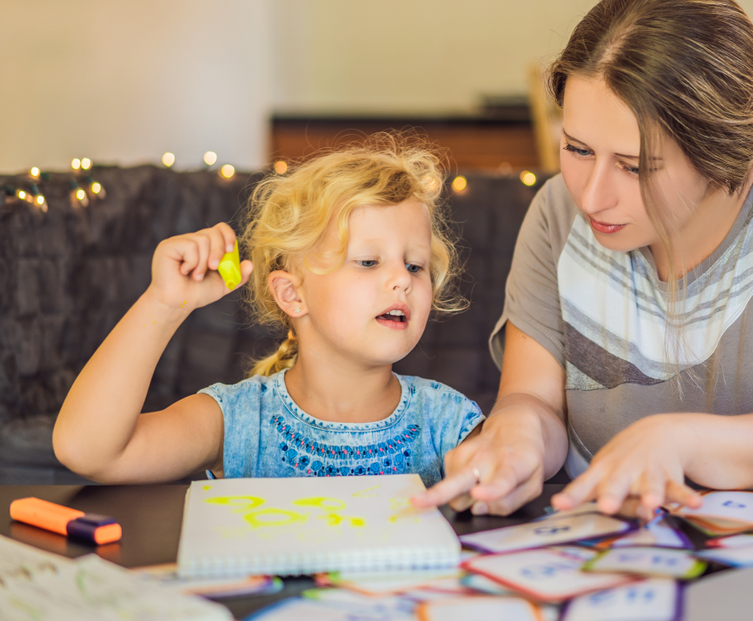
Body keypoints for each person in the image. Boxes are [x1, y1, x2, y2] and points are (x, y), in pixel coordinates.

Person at [413, 0, 753, 519]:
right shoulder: (558, 212)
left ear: (718, 149)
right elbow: (533, 400)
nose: (591, 196)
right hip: (599, 566)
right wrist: (515, 440)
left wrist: (677, 441)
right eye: (578, 149)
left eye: (635, 166)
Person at [53, 135, 484, 486]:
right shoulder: (237, 421)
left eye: (415, 265)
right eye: (368, 261)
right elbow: (86, 451)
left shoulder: (447, 421)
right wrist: (163, 304)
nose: (403, 280)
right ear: (292, 295)